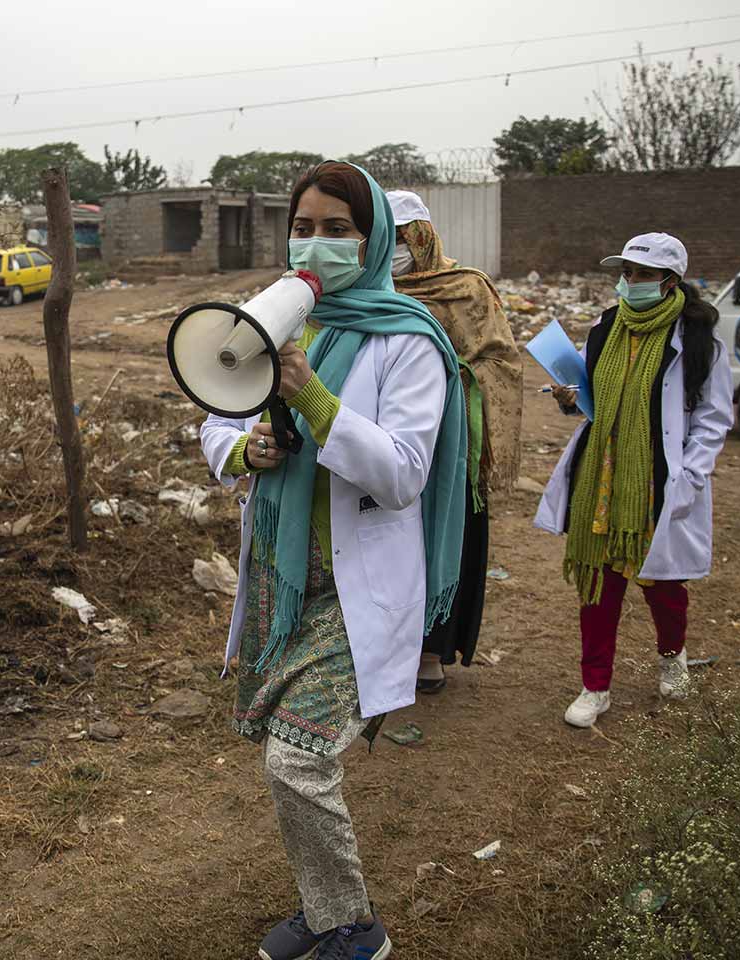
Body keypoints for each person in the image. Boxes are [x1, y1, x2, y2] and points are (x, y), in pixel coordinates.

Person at [200, 162, 467, 960]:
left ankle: (353, 929)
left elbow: (402, 474)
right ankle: (325, 917)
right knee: (285, 759)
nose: (316, 244)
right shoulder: (274, 321)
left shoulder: (409, 342)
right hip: (287, 582)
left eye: (338, 229)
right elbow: (214, 417)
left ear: (374, 238)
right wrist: (246, 447)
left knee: (297, 760)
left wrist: (314, 398)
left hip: (358, 593)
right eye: (304, 227)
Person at [534, 232, 732, 728]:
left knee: (663, 583)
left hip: (657, 478)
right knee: (599, 583)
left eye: (641, 274)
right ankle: (595, 686)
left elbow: (713, 417)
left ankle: (673, 658)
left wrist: (691, 473)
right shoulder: (604, 327)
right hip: (603, 473)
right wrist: (568, 397)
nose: (630, 283)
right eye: (625, 273)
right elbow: (592, 399)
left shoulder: (699, 340)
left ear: (670, 281)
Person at [386, 190, 522, 692]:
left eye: (405, 238)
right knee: (388, 545)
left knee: (445, 541)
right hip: (389, 441)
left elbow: (499, 361)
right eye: (389, 238)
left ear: (423, 236)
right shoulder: (368, 290)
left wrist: (444, 376)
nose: (398, 248)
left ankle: (431, 652)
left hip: (453, 443)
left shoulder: (467, 288)